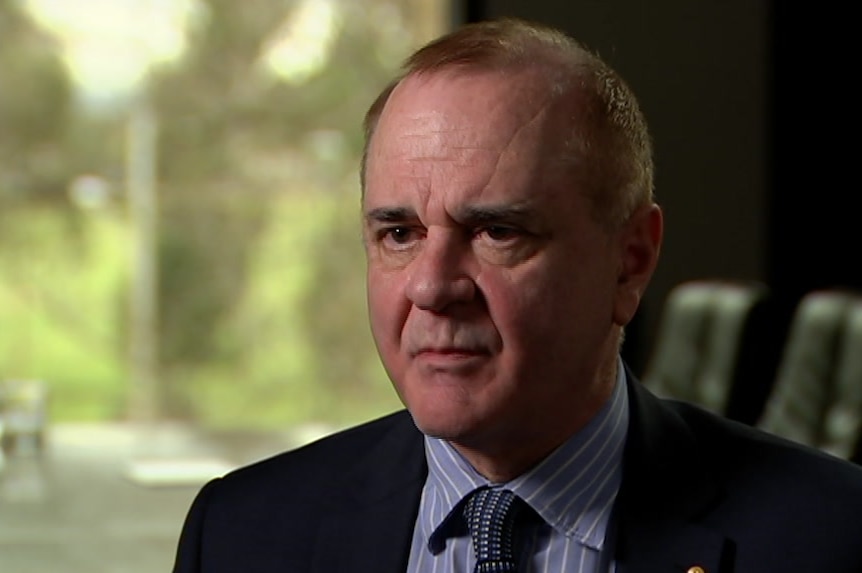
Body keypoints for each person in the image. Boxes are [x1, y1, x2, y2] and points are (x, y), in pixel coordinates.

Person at [172, 17, 862, 573]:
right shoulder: (241, 534)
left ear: (630, 262)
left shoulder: (832, 535)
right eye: (399, 232)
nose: (433, 285)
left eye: (497, 230)